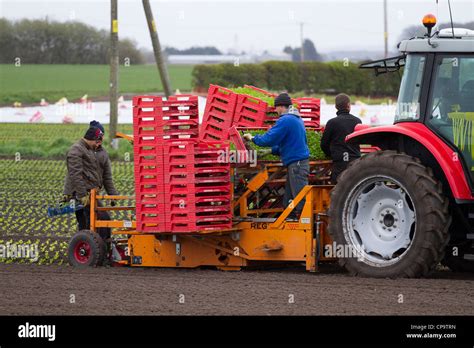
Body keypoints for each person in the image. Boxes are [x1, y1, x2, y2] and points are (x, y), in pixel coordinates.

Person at [243, 93, 310, 221]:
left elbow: (269, 138)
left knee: (299, 197)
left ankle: (305, 223)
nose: (276, 111)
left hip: (297, 165)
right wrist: (271, 151)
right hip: (297, 163)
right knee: (290, 198)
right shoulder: (296, 118)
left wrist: (252, 138)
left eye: (276, 108)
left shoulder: (286, 119)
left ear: (280, 106)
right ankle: (291, 221)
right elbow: (291, 142)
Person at [63, 121, 118, 241]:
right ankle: (91, 250)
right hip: (80, 194)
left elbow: (106, 177)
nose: (99, 144)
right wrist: (81, 195)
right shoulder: (76, 151)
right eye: (98, 141)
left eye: (101, 141)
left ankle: (101, 247)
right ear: (92, 138)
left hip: (93, 194)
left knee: (100, 221)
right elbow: (74, 175)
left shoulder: (101, 152)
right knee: (87, 223)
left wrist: (112, 195)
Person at [321, 93, 362, 183]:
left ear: (336, 106)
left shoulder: (332, 123)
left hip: (339, 163)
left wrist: (330, 154)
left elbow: (324, 144)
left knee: (338, 190)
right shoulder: (357, 121)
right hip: (355, 163)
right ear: (348, 106)